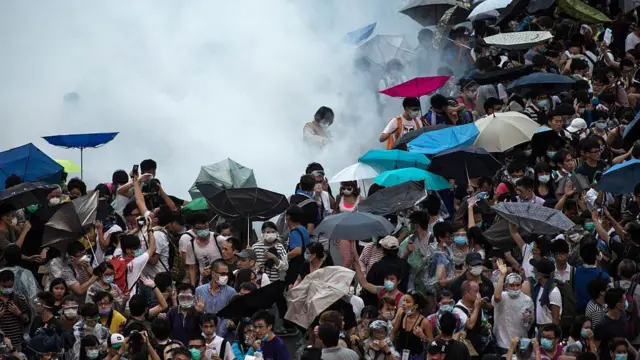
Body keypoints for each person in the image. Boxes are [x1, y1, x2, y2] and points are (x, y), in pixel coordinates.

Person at [492, 260, 534, 354]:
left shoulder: (527, 300)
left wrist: (528, 319)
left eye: (517, 285)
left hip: (521, 342)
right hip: (502, 343)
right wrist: (502, 275)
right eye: (511, 285)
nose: (515, 288)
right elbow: (497, 297)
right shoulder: (503, 296)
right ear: (506, 286)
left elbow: (530, 320)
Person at [195, 260, 236, 338]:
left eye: (227, 274)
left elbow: (230, 317)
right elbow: (195, 315)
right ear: (213, 274)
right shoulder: (199, 290)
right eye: (222, 274)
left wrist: (219, 336)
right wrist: (199, 311)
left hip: (224, 336)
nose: (225, 276)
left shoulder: (231, 292)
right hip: (204, 335)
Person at [594, 288, 628, 360]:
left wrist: (635, 352)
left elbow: (623, 339)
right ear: (618, 304)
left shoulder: (623, 316)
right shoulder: (602, 325)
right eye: (624, 301)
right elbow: (595, 349)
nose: (626, 303)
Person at [0, 269, 30, 349]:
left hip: (16, 342)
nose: (7, 289)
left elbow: (27, 320)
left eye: (10, 286)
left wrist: (19, 313)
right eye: (4, 286)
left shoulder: (19, 299)